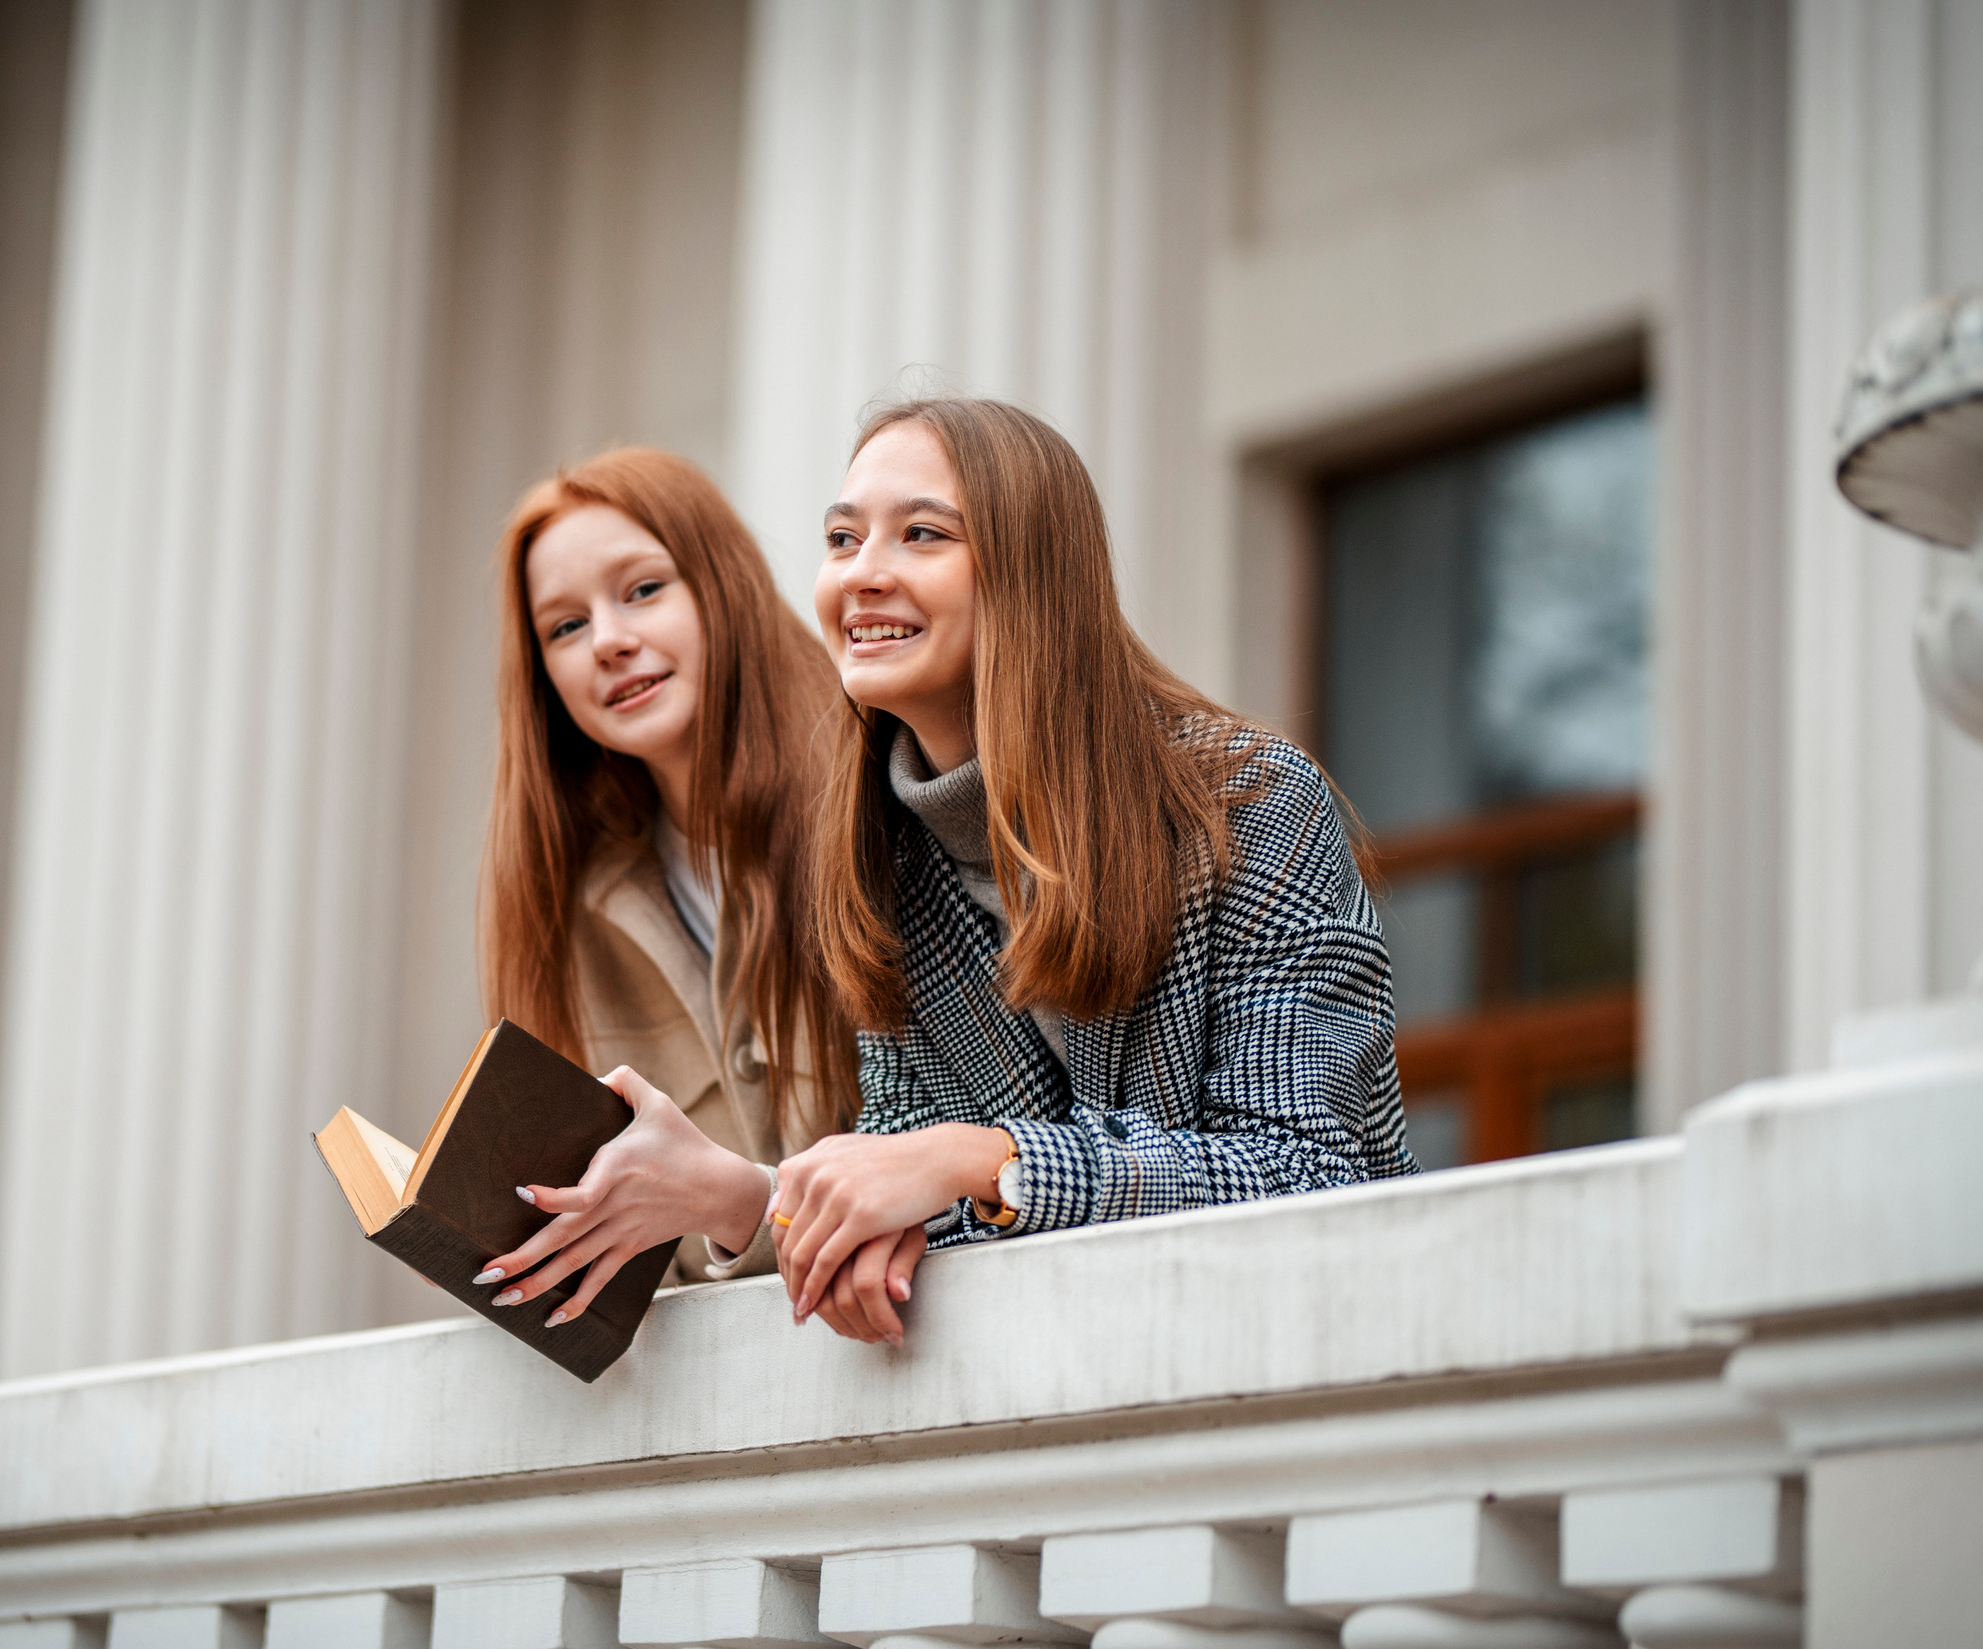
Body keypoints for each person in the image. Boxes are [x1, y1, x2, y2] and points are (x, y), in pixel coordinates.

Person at [774, 396, 1417, 1348]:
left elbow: (1306, 1175)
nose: (863, 574)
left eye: (921, 534)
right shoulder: (879, 863)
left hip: (1310, 1371)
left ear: (1032, 572)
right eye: (841, 538)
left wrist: (983, 1160)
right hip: (1071, 1400)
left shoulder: (1244, 805)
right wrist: (884, 1215)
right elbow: (914, 1193)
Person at [470, 448, 855, 1324]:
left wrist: (740, 1203)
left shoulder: (879, 815)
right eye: (564, 627)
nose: (607, 639)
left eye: (642, 590)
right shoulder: (572, 916)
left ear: (722, 587)